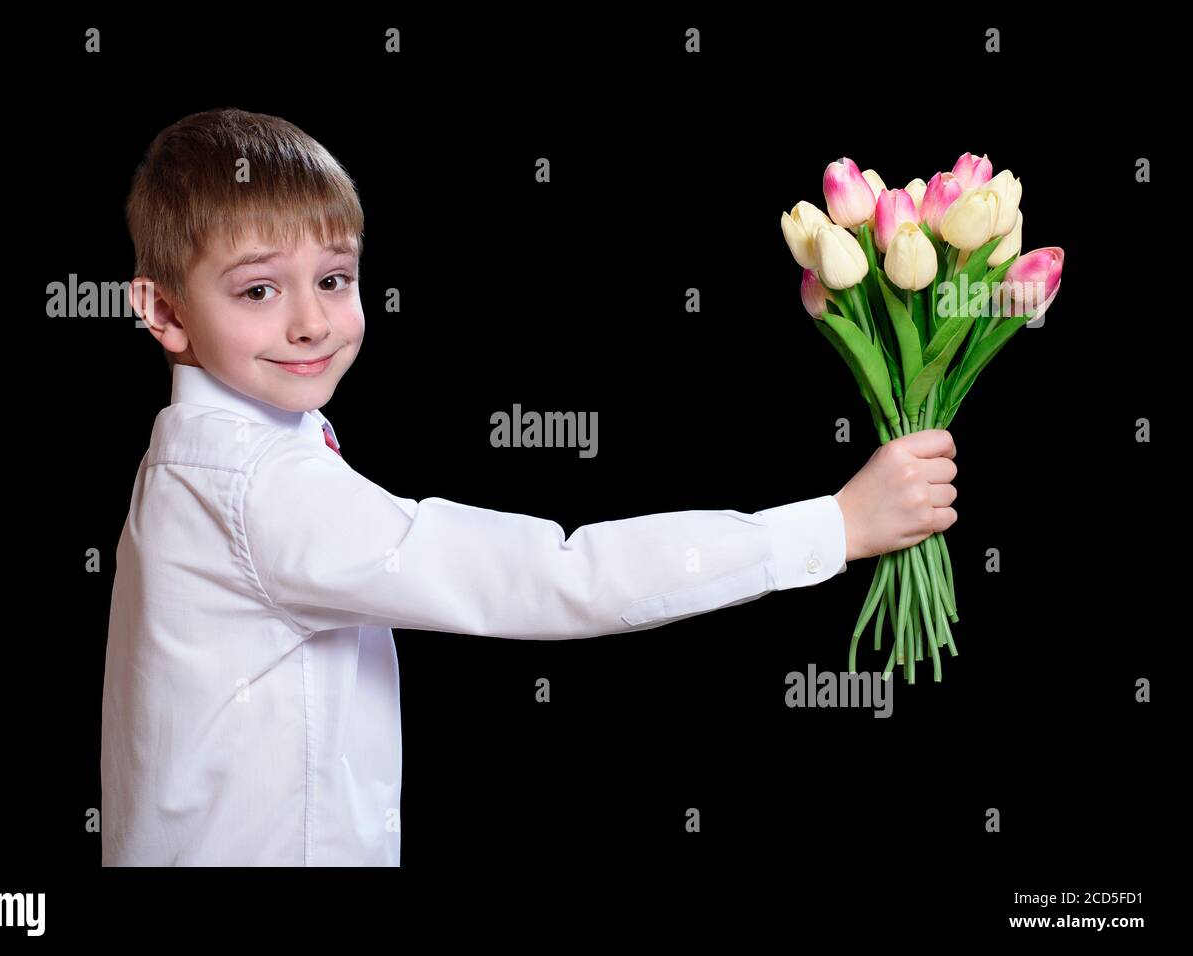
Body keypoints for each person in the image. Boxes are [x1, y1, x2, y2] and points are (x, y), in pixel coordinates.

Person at [101, 108, 959, 866]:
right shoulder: (256, 485)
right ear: (164, 311)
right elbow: (555, 577)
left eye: (333, 279)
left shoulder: (204, 455)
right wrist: (834, 526)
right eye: (259, 289)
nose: (312, 321)